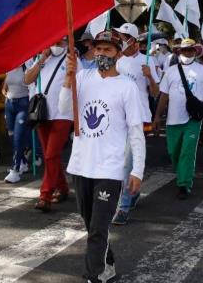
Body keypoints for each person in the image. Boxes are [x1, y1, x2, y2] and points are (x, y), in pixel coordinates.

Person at [59, 30, 147, 283]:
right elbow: (65, 111)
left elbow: (135, 131)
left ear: (118, 54)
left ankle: (93, 276)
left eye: (108, 50)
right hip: (82, 165)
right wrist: (68, 78)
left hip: (109, 169)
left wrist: (137, 170)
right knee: (91, 226)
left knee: (98, 228)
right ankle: (107, 264)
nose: (101, 54)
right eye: (98, 49)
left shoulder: (127, 87)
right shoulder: (83, 77)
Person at [24, 37, 79, 211]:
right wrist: (42, 59)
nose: (56, 44)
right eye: (53, 40)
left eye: (60, 41)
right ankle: (62, 188)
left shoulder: (72, 58)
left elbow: (80, 83)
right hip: (42, 113)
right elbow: (27, 79)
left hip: (63, 113)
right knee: (51, 156)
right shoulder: (42, 58)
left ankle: (45, 195)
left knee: (50, 154)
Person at [155, 38, 203, 199]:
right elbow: (164, 95)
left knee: (188, 151)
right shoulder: (171, 71)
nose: (187, 53)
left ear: (196, 52)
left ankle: (184, 184)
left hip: (193, 119)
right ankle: (181, 173)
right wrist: (158, 116)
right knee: (174, 151)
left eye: (191, 50)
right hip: (173, 119)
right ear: (179, 52)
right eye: (184, 50)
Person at [111, 23, 158, 225]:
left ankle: (123, 207)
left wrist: (149, 76)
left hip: (138, 118)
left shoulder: (148, 61)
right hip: (117, 118)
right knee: (119, 162)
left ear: (132, 40)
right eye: (119, 36)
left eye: (123, 37)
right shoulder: (117, 62)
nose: (120, 40)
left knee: (128, 163)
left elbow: (155, 93)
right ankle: (132, 192)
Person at [2, 64, 32, 183]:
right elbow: (4, 86)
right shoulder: (10, 65)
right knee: (11, 136)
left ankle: (15, 170)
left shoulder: (28, 65)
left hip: (23, 104)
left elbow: (32, 84)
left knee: (18, 138)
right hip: (9, 104)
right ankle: (23, 162)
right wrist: (6, 95)